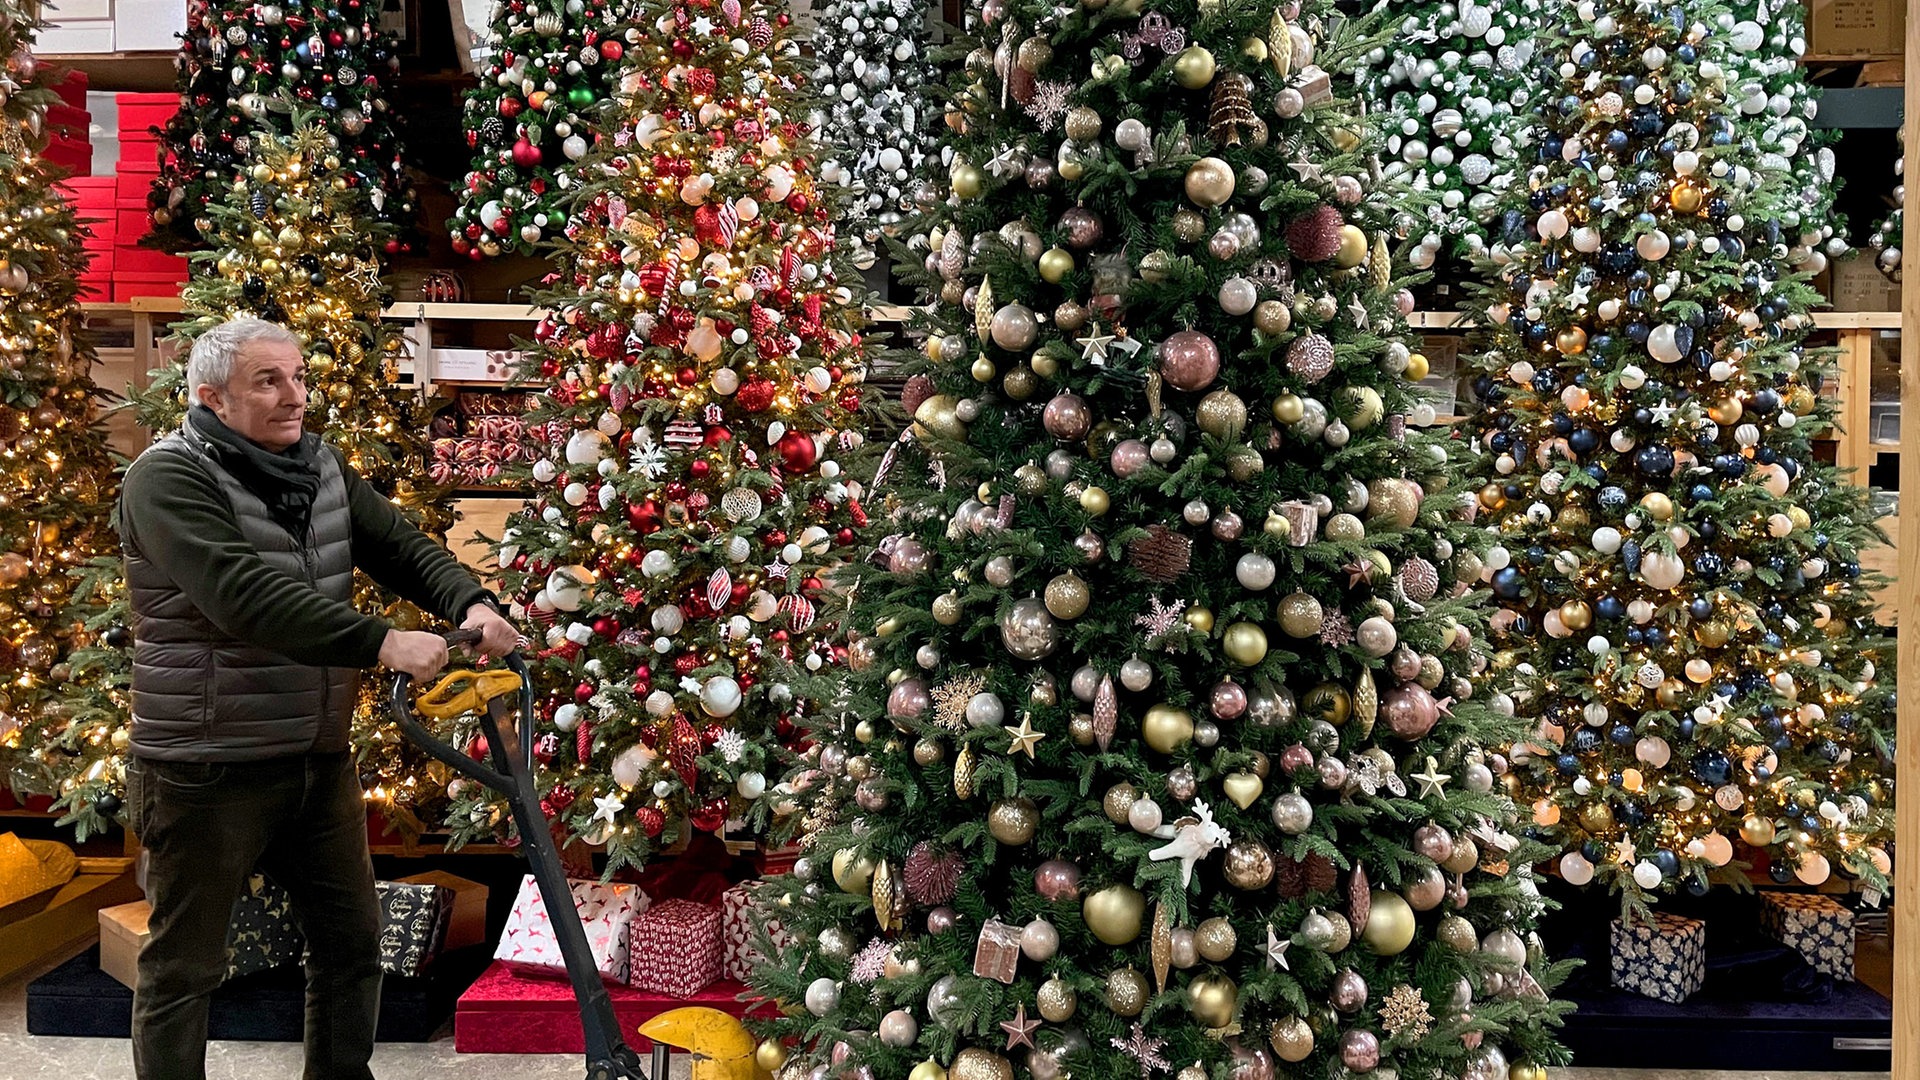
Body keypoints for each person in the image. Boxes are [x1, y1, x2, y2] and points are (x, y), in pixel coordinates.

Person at [119, 317, 520, 1080]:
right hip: (204, 767)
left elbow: (400, 546)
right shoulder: (167, 479)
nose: (293, 396)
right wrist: (382, 642)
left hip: (315, 758)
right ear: (211, 397)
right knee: (185, 968)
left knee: (349, 948)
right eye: (268, 381)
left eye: (298, 376)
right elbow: (245, 597)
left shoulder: (320, 466)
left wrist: (470, 601)